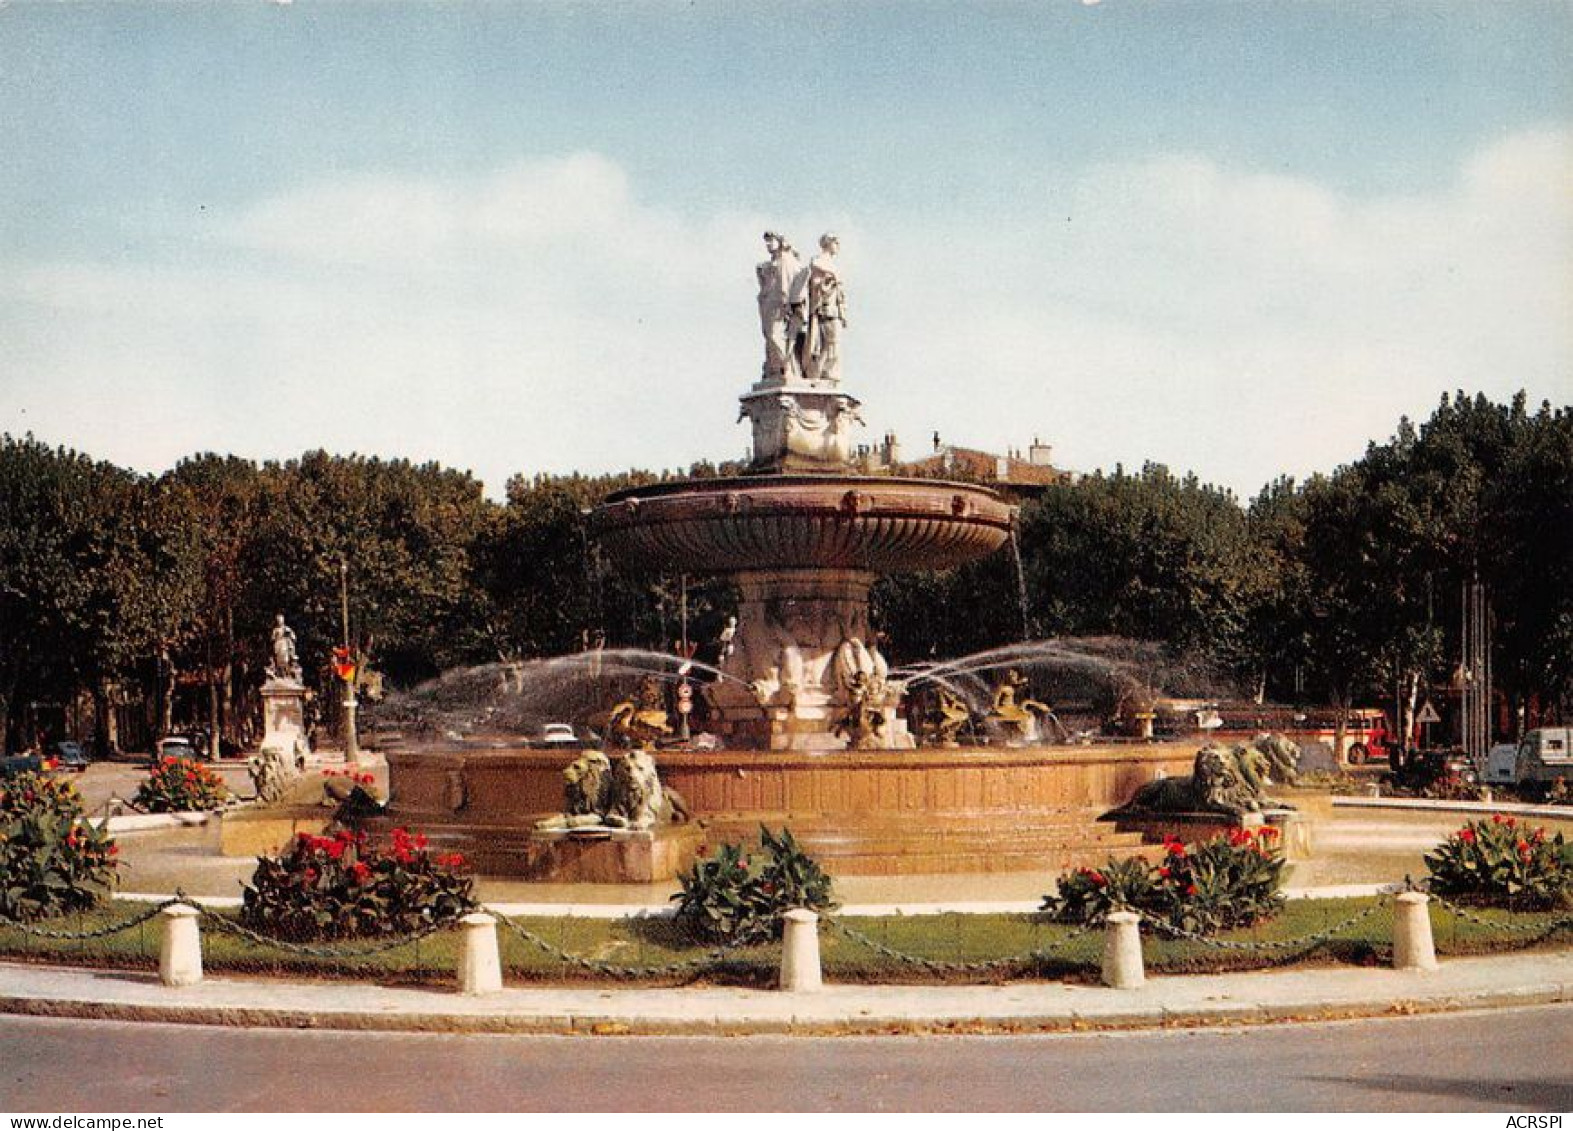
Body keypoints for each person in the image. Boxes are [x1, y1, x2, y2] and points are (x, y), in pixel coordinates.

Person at [755, 232, 800, 381]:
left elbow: (786, 283)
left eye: (771, 241)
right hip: (769, 304)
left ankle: (784, 366)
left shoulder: (785, 260)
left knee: (775, 335)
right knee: (770, 336)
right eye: (766, 242)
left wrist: (787, 303)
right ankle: (776, 368)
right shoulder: (772, 262)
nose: (768, 245)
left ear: (779, 241)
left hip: (779, 304)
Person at [802, 233, 847, 382]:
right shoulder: (818, 262)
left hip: (833, 309)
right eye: (836, 243)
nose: (838, 247)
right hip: (825, 308)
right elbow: (817, 285)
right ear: (829, 243)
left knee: (832, 343)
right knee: (830, 342)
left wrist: (843, 312)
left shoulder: (831, 265)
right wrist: (831, 278)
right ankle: (818, 372)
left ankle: (824, 372)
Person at [269, 614, 301, 681]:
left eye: (280, 620)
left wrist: (288, 634)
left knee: (285, 660)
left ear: (283, 621)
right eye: (278, 620)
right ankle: (281, 675)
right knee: (279, 661)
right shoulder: (275, 630)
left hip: (285, 645)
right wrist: (276, 636)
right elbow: (272, 639)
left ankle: (287, 674)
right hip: (278, 646)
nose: (279, 622)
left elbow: (294, 638)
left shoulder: (287, 629)